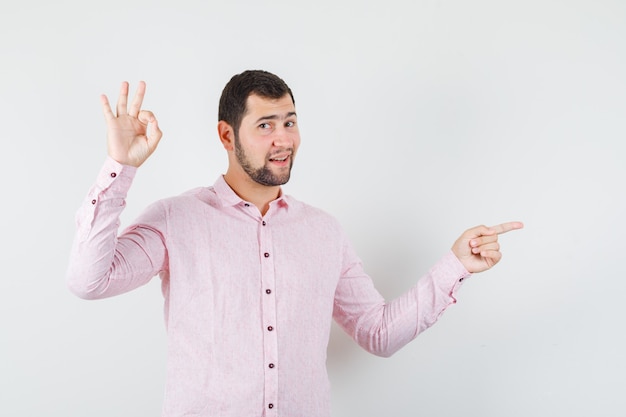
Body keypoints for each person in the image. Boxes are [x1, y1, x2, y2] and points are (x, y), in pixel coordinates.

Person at [67, 70, 523, 416]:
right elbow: (89, 281)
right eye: (265, 125)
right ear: (227, 135)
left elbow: (378, 333)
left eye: (290, 121)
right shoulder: (177, 219)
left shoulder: (323, 232)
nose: (283, 139)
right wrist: (120, 166)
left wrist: (455, 264)